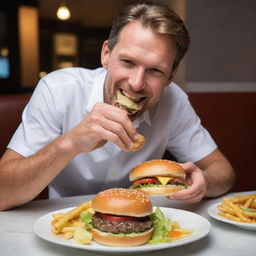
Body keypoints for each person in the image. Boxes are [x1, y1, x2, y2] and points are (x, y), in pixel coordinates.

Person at [0, 1, 235, 211]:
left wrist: (205, 181)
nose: (136, 83)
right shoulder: (57, 91)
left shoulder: (174, 101)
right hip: (65, 225)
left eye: (155, 70)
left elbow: (223, 171)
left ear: (171, 76)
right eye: (128, 62)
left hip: (142, 223)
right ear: (106, 54)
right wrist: (70, 143)